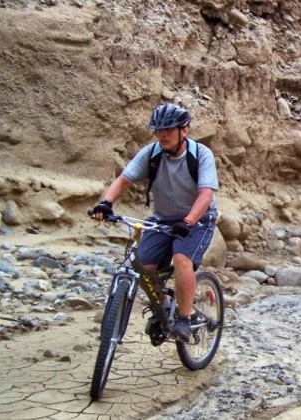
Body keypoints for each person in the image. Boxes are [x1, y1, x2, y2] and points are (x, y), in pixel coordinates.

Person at [91, 103, 219, 342]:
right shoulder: (151, 153)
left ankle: (183, 318)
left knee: (182, 259)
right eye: (159, 130)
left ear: (185, 131)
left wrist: (188, 221)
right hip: (162, 220)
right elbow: (124, 180)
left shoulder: (201, 154)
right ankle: (164, 306)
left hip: (198, 219)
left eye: (169, 129)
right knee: (143, 268)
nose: (162, 134)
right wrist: (106, 203)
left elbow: (206, 195)